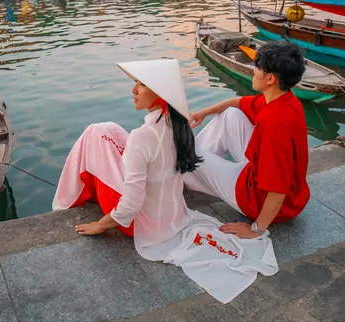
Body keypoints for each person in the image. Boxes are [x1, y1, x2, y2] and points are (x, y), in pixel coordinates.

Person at [53, 59, 277, 303]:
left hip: (138, 225)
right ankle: (75, 193)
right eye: (135, 83)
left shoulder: (142, 137)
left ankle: (66, 202)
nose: (134, 90)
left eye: (141, 84)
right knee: (106, 129)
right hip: (172, 216)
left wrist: (102, 225)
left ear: (159, 94)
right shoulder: (179, 125)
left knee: (95, 134)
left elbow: (132, 201)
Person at [184, 42, 310, 236]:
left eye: (257, 68)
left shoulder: (274, 123)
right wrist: (204, 112)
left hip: (256, 200)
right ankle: (190, 169)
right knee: (231, 114)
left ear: (270, 79)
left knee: (182, 151)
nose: (253, 71)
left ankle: (184, 169)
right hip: (270, 185)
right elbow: (237, 102)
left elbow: (277, 191)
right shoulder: (284, 99)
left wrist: (256, 229)